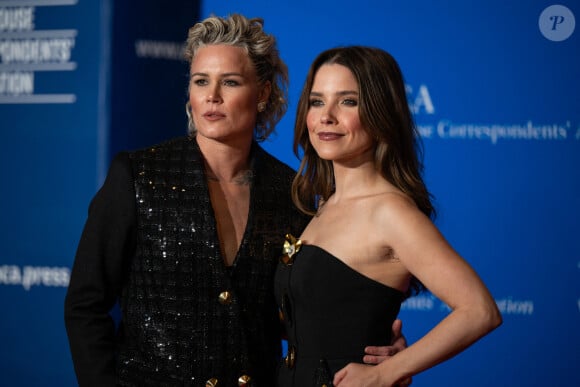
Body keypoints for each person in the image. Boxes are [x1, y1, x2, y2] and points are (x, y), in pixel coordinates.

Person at [64, 15, 408, 387]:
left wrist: (371, 349)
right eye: (200, 81)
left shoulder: (293, 193)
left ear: (262, 93)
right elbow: (86, 304)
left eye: (230, 82)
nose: (212, 95)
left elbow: (296, 312)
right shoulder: (138, 175)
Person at [275, 46, 502, 386]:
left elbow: (480, 311)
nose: (326, 116)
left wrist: (387, 372)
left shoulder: (390, 212)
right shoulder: (321, 205)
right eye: (317, 101)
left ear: (381, 113)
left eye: (348, 101)